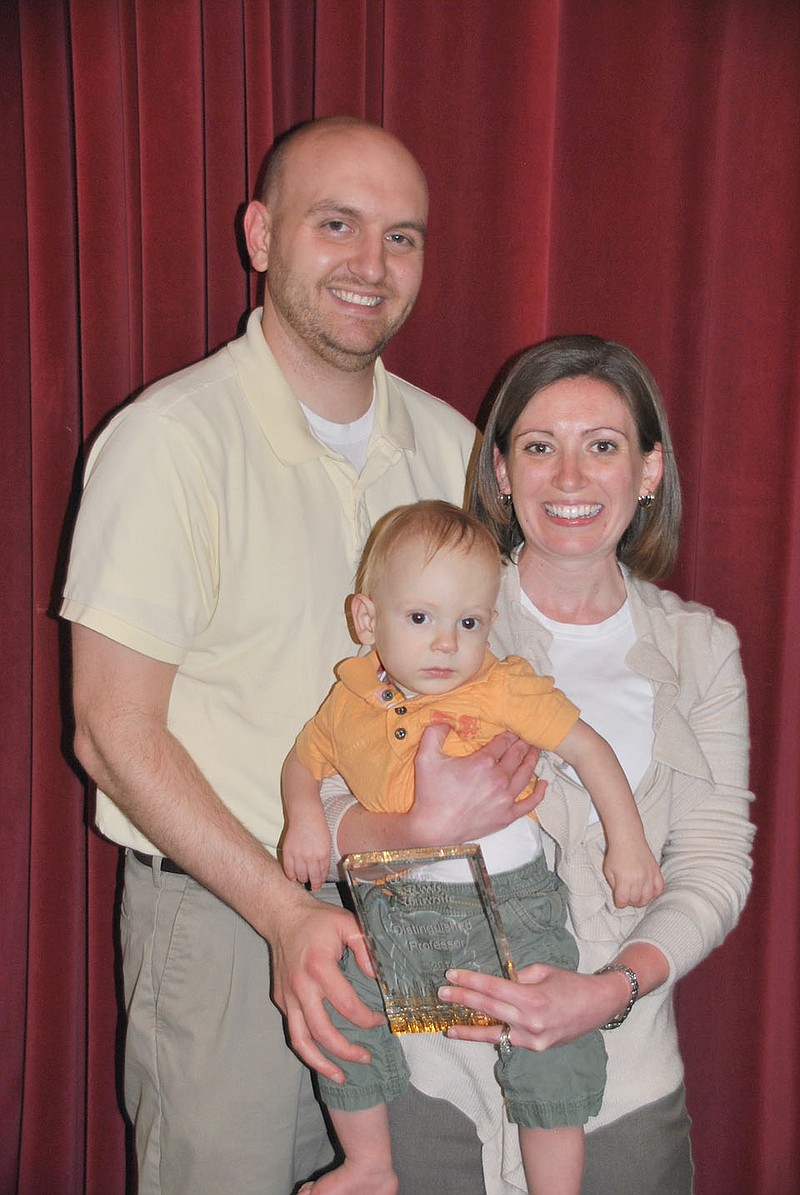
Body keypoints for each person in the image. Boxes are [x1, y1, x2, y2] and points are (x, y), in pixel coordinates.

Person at [60, 116, 542, 1195]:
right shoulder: (170, 441)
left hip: (421, 906)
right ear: (262, 234)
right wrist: (285, 915)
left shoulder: (452, 447)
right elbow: (110, 728)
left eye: (402, 236)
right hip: (230, 918)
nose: (372, 265)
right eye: (338, 225)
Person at [326, 336, 755, 1195]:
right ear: (501, 470)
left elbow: (715, 864)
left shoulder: (701, 648)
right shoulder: (440, 614)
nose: (568, 476)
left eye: (602, 446)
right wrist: (413, 826)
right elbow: (335, 791)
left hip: (622, 1079)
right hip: (436, 1071)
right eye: (538, 446)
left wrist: (611, 989)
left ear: (648, 471)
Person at [281, 498, 664, 1195]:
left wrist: (627, 840)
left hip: (511, 907)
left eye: (469, 622)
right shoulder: (349, 699)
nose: (446, 644)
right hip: (392, 908)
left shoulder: (501, 685)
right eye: (420, 617)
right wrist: (304, 815)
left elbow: (587, 748)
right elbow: (303, 761)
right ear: (367, 619)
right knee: (338, 997)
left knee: (551, 1035)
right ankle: (368, 1164)